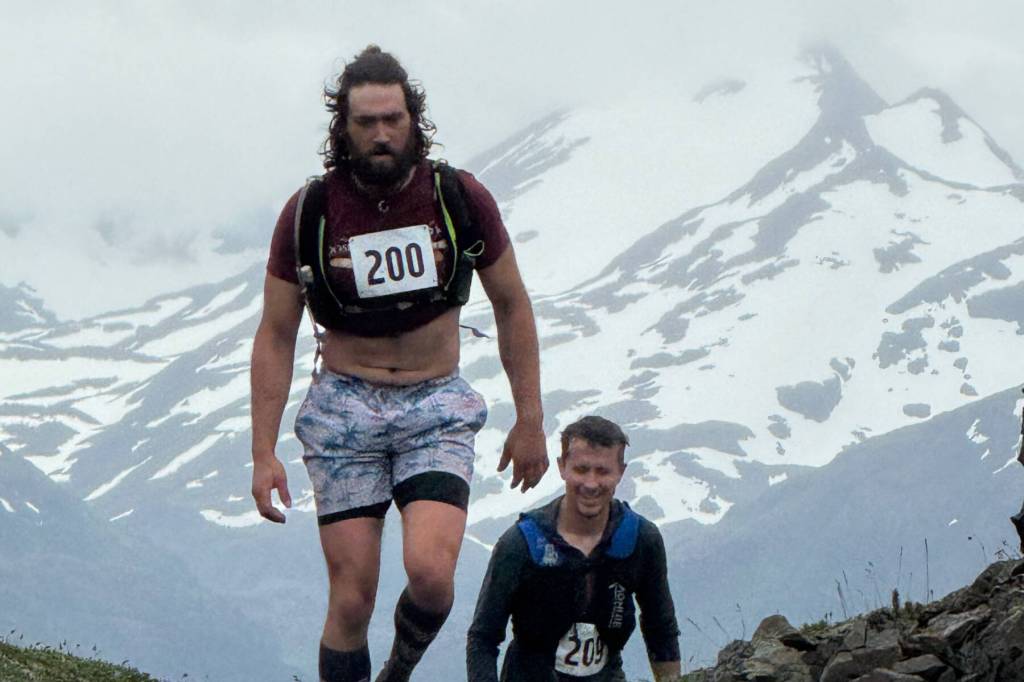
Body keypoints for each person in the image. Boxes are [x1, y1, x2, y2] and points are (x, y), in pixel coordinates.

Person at [250, 45, 548, 682]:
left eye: (393, 118)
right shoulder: (309, 213)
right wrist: (262, 450)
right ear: (343, 128)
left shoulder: (459, 197)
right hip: (343, 409)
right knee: (352, 597)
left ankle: (398, 669)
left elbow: (512, 305)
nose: (382, 134)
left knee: (433, 577)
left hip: (435, 405)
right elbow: (276, 334)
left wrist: (531, 419)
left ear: (414, 119)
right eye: (366, 122)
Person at [467, 416, 682, 682]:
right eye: (581, 469)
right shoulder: (523, 542)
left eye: (603, 471)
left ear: (621, 472)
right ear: (562, 467)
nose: (591, 484)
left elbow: (660, 627)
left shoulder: (640, 539)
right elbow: (483, 637)